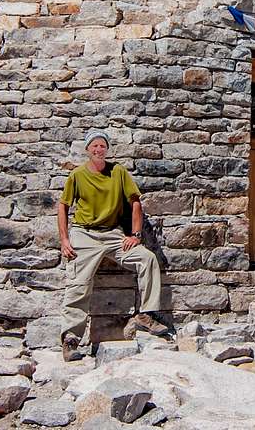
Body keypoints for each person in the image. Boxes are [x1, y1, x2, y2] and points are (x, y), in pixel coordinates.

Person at [57, 129, 168, 361]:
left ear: (106, 149)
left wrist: (136, 234)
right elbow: (63, 206)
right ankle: (70, 340)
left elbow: (135, 202)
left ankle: (146, 315)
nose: (98, 149)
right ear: (88, 149)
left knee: (147, 259)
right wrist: (65, 239)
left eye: (102, 146)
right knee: (79, 283)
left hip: (113, 234)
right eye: (94, 146)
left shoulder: (118, 172)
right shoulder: (77, 175)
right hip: (84, 234)